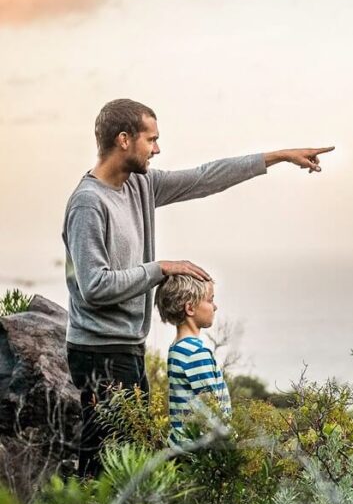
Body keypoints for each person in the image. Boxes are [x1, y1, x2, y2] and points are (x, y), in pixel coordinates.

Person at [63, 98, 333, 476]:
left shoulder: (141, 185)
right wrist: (161, 268)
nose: (157, 149)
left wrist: (279, 156)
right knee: (102, 466)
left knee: (127, 461)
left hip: (127, 346)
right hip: (98, 351)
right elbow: (94, 286)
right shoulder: (88, 204)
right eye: (151, 140)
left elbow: (205, 178)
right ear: (124, 140)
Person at [154, 274, 230, 448]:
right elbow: (211, 408)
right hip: (198, 451)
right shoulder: (196, 353)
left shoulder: (177, 348)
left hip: (181, 445)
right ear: (190, 308)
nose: (215, 307)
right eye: (210, 300)